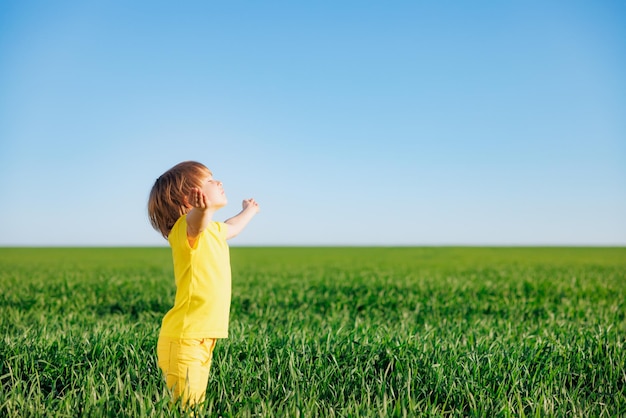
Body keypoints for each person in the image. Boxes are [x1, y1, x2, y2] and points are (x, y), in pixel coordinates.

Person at [147, 160, 259, 407]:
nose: (218, 182)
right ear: (189, 200)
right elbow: (195, 222)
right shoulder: (184, 230)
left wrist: (249, 211)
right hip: (185, 340)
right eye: (208, 181)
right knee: (187, 409)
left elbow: (233, 227)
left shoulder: (214, 231)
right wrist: (202, 211)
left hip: (201, 339)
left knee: (193, 405)